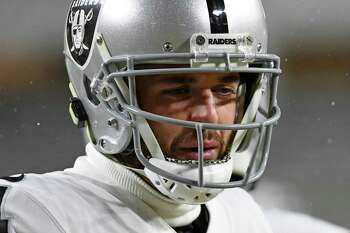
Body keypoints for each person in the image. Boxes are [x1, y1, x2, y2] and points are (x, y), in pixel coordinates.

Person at [0, 0, 283, 232]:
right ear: (105, 96)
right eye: (179, 90)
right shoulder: (34, 214)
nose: (208, 116)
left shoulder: (242, 215)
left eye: (224, 90)